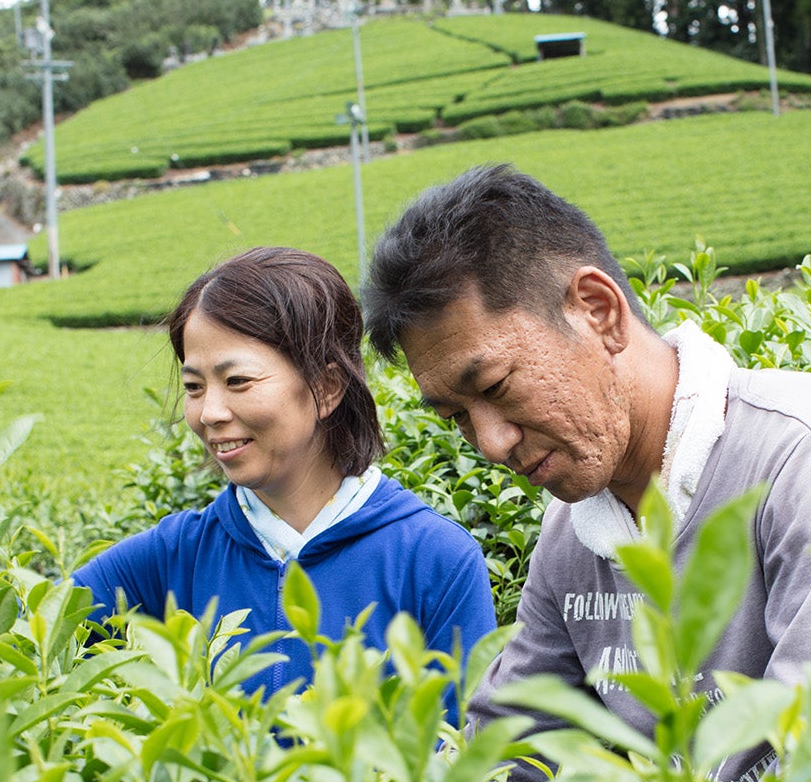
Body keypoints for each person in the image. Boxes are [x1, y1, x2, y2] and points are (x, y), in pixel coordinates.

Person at [363, 165, 811, 782]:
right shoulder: (573, 529)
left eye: (497, 386)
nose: (491, 443)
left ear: (598, 311)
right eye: (456, 417)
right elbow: (508, 750)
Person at [76, 246, 497, 699]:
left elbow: (468, 735)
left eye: (237, 381)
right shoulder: (174, 556)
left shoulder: (433, 559)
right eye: (194, 387)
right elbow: (35, 635)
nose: (209, 412)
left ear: (326, 387)